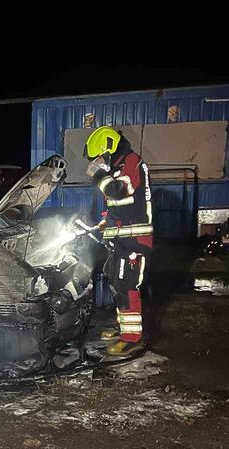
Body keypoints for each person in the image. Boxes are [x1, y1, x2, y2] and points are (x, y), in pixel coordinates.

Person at [85, 126, 153, 356]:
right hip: (121, 241)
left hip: (134, 242)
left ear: (109, 149)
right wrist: (105, 223)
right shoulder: (118, 167)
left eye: (100, 156)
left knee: (127, 287)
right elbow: (118, 207)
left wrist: (99, 175)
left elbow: (119, 192)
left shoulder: (132, 162)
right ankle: (123, 327)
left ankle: (131, 338)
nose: (99, 161)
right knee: (115, 280)